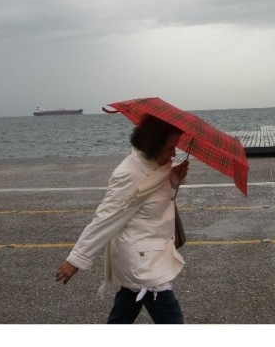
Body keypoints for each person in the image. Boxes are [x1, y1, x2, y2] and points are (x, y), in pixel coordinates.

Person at [55, 114, 190, 324]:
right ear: (154, 146)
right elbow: (105, 219)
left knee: (125, 308)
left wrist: (173, 179)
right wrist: (76, 260)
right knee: (172, 320)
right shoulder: (128, 174)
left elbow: (151, 195)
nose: (174, 152)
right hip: (143, 260)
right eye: (170, 147)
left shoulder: (156, 164)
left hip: (149, 251)